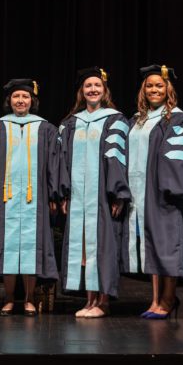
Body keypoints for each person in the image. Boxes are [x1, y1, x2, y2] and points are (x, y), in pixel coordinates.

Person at [0, 79, 62, 315]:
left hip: (35, 200)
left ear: (33, 101)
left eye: (25, 97)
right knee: (8, 249)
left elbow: (55, 164)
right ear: (9, 101)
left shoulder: (46, 129)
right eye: (16, 97)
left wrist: (54, 193)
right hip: (4, 200)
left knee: (31, 249)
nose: (21, 101)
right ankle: (9, 298)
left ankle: (29, 299)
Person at [124, 64, 183, 320]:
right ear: (143, 90)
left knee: (167, 245)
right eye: (149, 85)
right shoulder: (136, 120)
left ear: (168, 89)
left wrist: (170, 189)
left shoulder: (177, 118)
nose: (154, 89)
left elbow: (179, 158)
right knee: (151, 245)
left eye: (159, 85)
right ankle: (154, 300)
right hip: (139, 193)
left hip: (164, 193)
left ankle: (168, 299)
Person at [58, 67, 131, 318]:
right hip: (78, 196)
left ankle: (103, 301)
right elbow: (63, 161)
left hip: (102, 195)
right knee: (83, 249)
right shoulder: (71, 123)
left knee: (102, 246)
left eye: (97, 86)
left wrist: (118, 193)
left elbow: (117, 157)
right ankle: (89, 300)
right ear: (82, 91)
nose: (93, 89)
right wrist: (64, 193)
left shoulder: (115, 120)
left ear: (105, 90)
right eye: (88, 86)